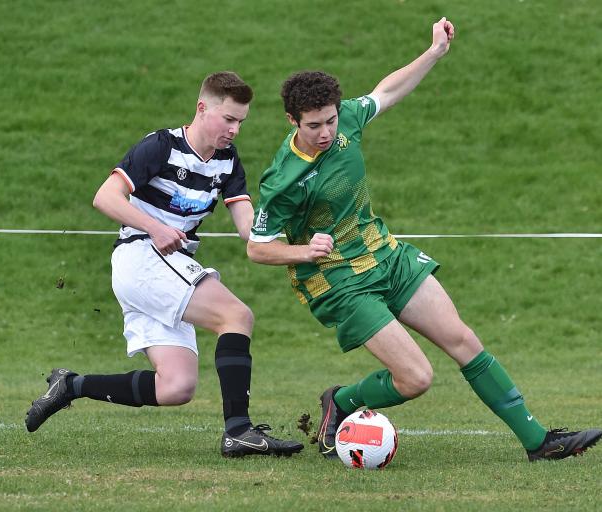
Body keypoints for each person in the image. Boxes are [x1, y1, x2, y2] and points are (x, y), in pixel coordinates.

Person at [246, 19, 601, 462]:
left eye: (331, 121)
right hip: (338, 281)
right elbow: (257, 247)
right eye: (314, 125)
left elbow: (387, 90)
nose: (326, 133)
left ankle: (540, 443)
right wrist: (303, 250)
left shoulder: (347, 121)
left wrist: (433, 53)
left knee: (464, 341)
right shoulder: (284, 179)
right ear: (292, 120)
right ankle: (341, 402)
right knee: (416, 378)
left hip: (384, 255)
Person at [25, 71, 303, 458]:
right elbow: (105, 197)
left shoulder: (227, 161)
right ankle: (239, 431)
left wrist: (298, 238)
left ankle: (71, 385)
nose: (235, 129)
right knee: (236, 316)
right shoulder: (162, 146)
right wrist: (155, 227)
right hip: (142, 256)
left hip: (165, 265)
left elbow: (248, 229)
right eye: (228, 119)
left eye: (241, 121)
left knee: (176, 387)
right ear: (202, 108)